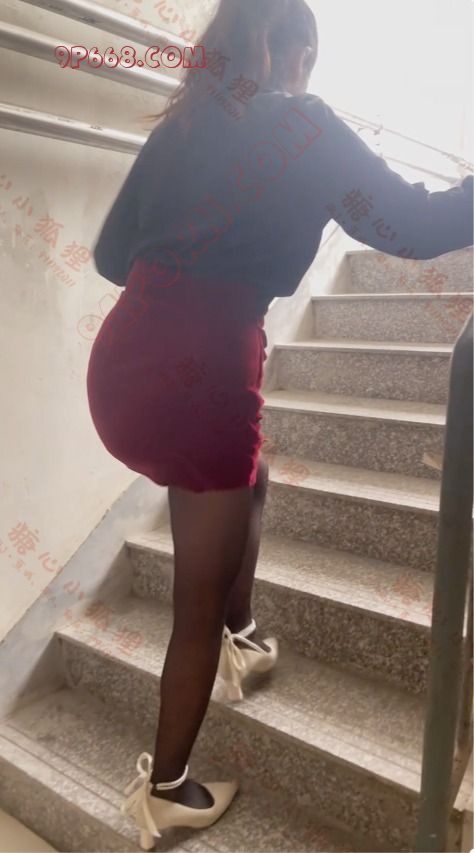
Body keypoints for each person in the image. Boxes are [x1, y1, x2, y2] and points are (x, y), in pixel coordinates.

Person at [87, 0, 473, 848]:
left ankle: (244, 633)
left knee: (248, 478)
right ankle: (167, 787)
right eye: (310, 60)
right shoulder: (304, 124)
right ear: (292, 52)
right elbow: (411, 226)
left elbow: (111, 258)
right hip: (207, 373)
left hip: (119, 370)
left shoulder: (184, 125)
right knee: (193, 598)